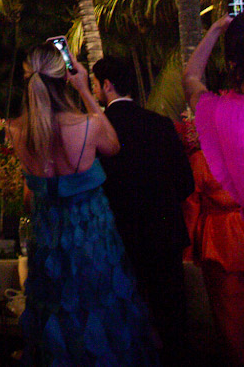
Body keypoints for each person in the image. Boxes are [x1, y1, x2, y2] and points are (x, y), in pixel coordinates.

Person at [6, 42, 159, 367]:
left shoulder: (17, 130)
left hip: (48, 232)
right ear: (64, 77)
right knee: (101, 307)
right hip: (89, 230)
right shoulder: (86, 125)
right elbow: (114, 146)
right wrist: (86, 90)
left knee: (56, 309)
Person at [93, 55, 194, 365]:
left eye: (94, 85)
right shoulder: (160, 125)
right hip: (165, 235)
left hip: (121, 239)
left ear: (106, 86)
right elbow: (186, 184)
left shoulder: (100, 131)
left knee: (129, 322)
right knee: (172, 322)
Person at [183, 11, 244, 345]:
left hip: (231, 240)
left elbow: (192, 76)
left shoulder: (219, 111)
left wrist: (216, 29)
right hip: (232, 234)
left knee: (236, 333)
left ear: (234, 62)